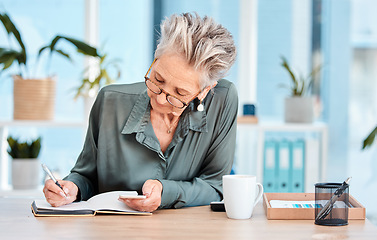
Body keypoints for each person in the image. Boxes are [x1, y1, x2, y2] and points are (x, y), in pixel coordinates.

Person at [43, 12, 238, 212]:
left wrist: (166, 191)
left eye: (180, 93)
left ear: (205, 91)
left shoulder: (223, 100)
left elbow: (216, 186)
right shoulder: (110, 102)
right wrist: (71, 188)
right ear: (155, 56)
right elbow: (86, 176)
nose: (161, 99)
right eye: (158, 79)